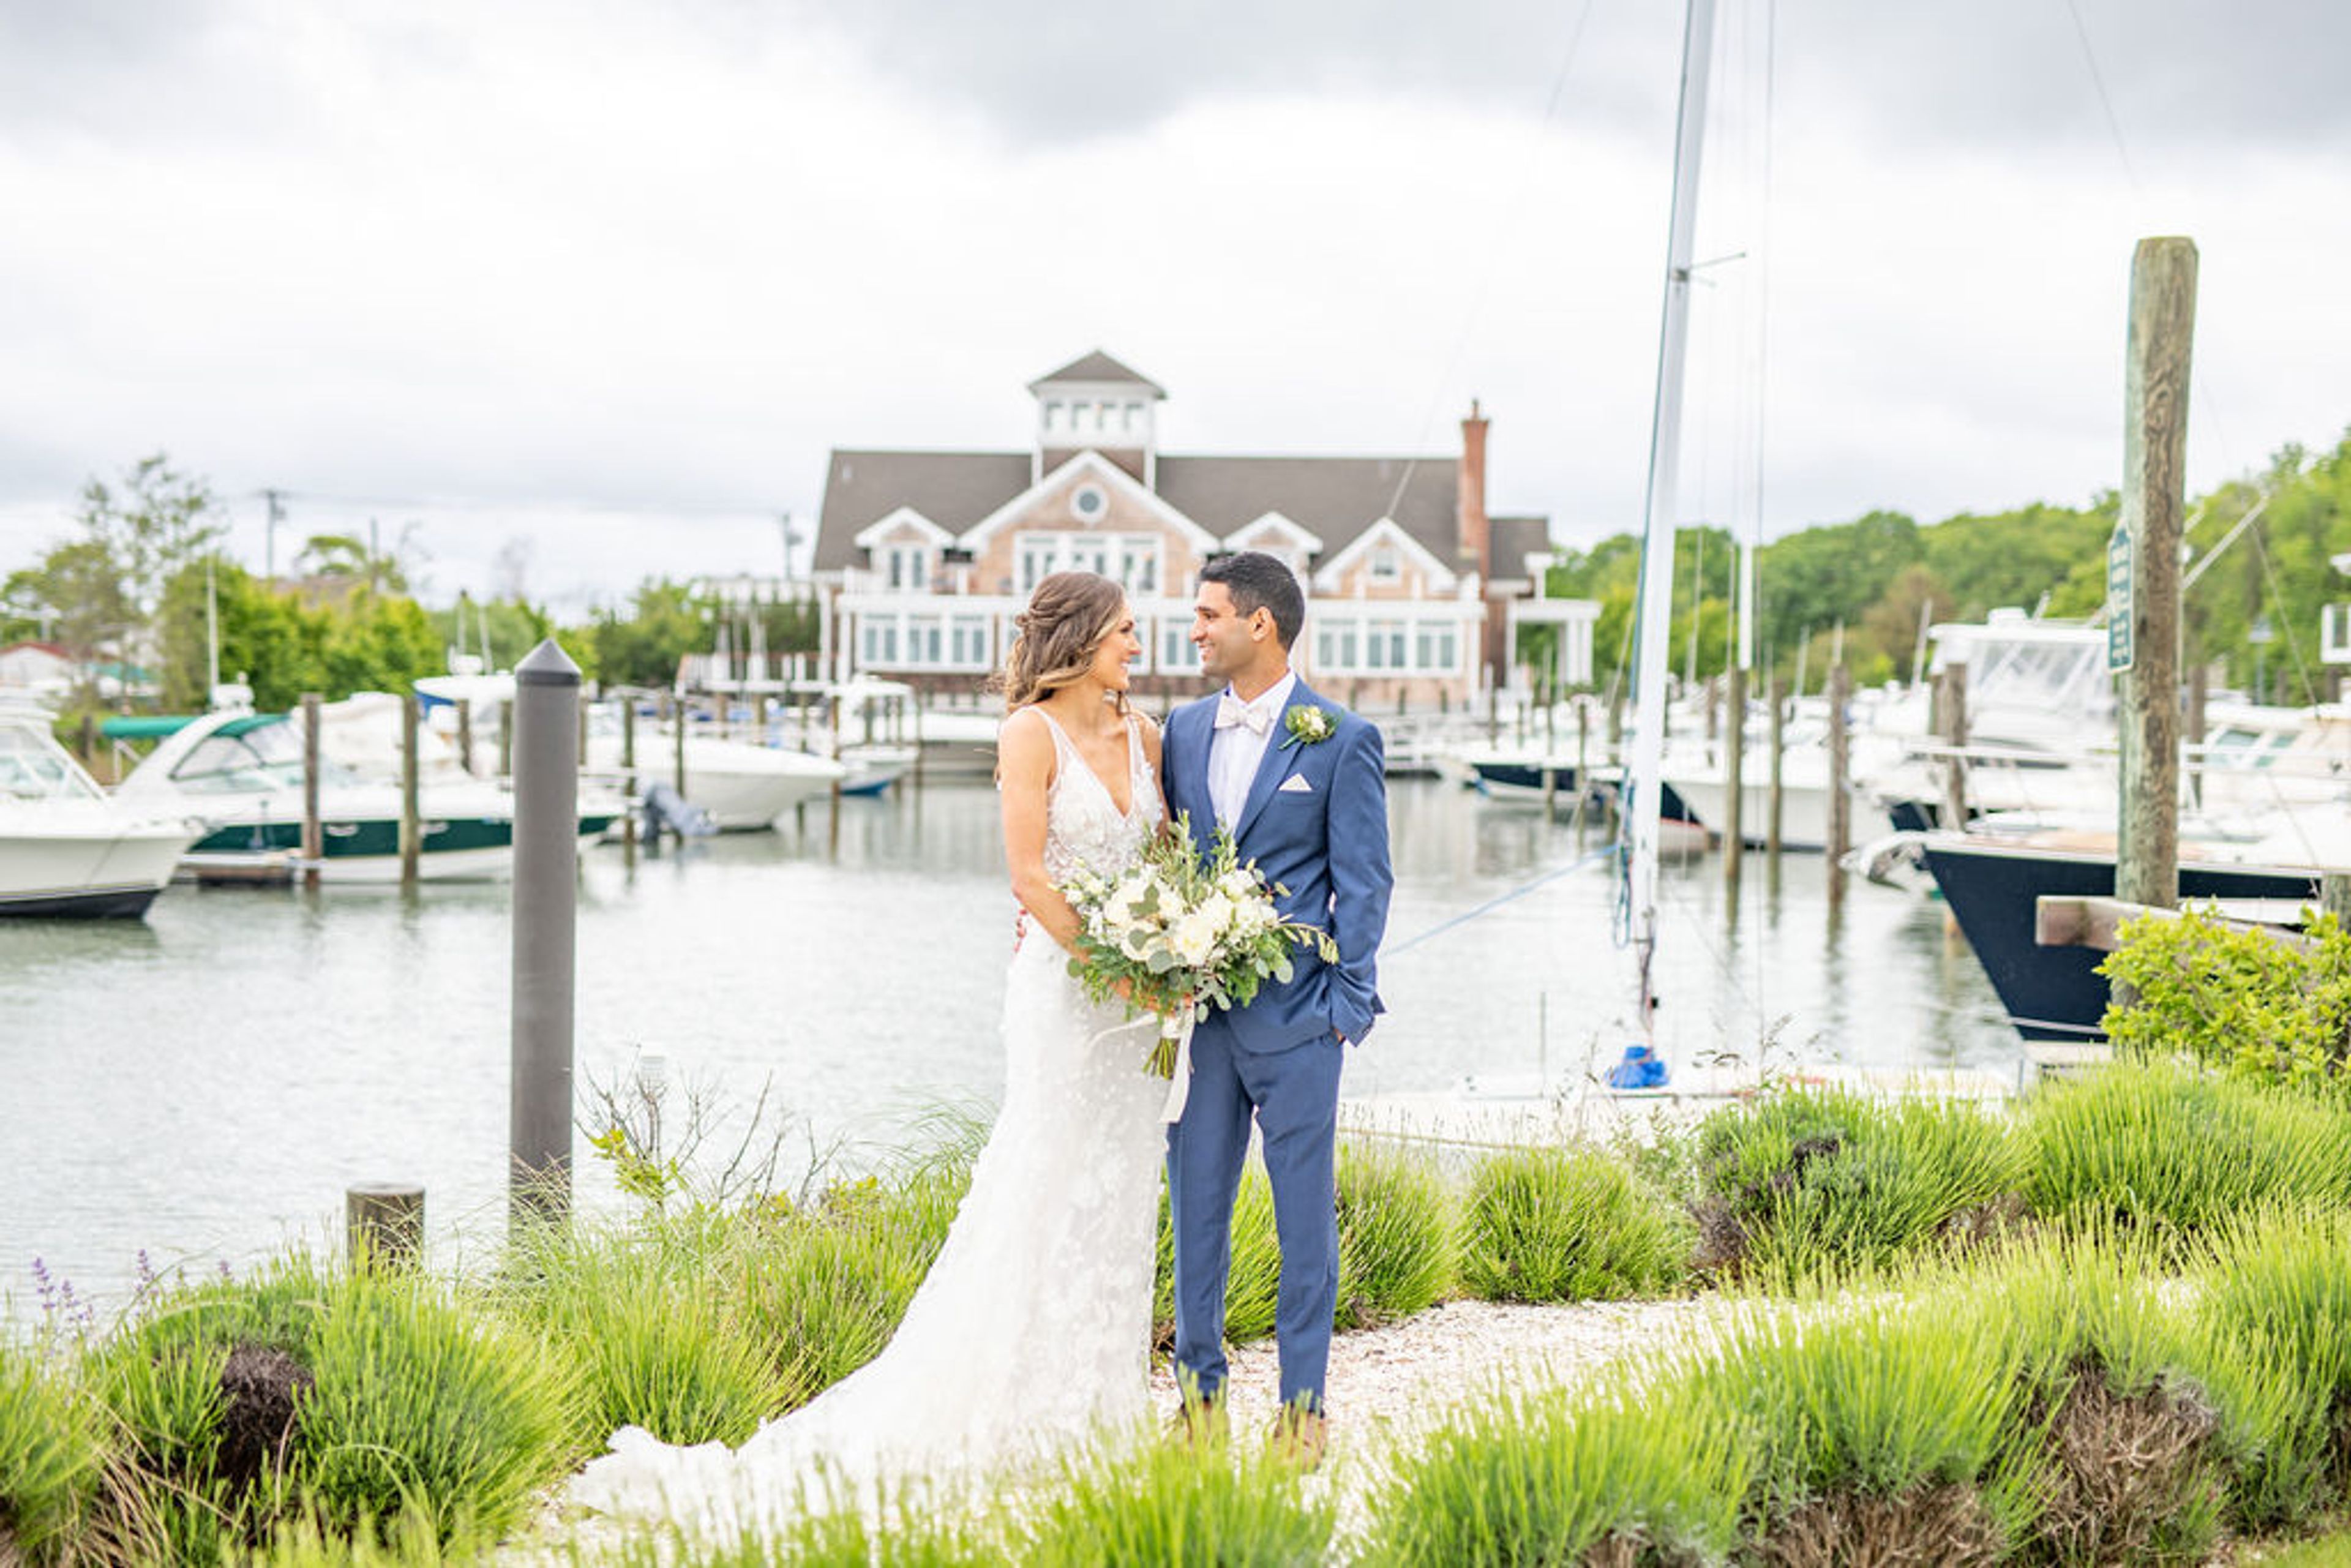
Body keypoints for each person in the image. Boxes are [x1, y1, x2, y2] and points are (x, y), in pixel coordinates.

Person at [572, 571, 1171, 1528]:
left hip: (1140, 1011)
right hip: (1068, 996)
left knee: (1121, 1187)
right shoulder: (1029, 734)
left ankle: (1097, 1408)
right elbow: (1028, 876)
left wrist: (1178, 946)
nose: (1138, 646)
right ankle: (1002, 1406)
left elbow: (1164, 862)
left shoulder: (1147, 736)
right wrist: (1117, 967)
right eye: (1126, 630)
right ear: (1082, 635)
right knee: (1044, 1177)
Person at [1160, 550, 1394, 1469]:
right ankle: (1199, 1404)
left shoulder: (1340, 739)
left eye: (1209, 614)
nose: (1195, 630)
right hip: (1202, 1023)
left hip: (1300, 1024)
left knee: (1303, 1224)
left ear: (1260, 624)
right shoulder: (1183, 731)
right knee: (1196, 1215)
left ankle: (1304, 1412)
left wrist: (1345, 1007)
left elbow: (1365, 883)